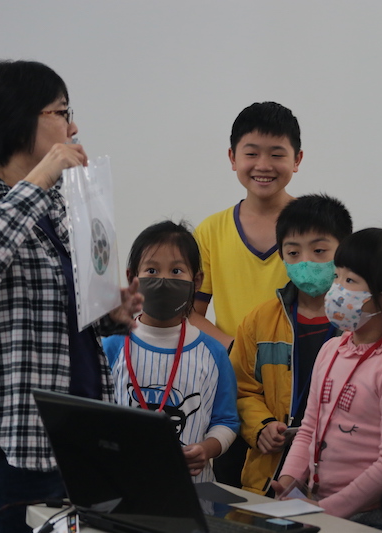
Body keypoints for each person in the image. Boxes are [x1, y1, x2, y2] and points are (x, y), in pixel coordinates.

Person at [0, 60, 142, 533]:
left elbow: (58, 313)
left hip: (75, 441)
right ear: (18, 117)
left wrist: (111, 311)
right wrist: (42, 177)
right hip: (8, 444)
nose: (73, 127)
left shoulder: (56, 207)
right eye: (62, 112)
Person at [273, 227, 382, 529]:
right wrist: (288, 482)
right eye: (337, 276)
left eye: (350, 281)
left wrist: (326, 510)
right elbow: (309, 428)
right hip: (318, 504)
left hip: (370, 516)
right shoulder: (331, 350)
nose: (336, 289)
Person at [191, 101, 303, 486]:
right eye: (251, 153)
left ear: (297, 159)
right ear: (232, 158)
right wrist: (237, 348)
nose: (263, 165)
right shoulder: (210, 231)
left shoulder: (315, 230)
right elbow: (191, 312)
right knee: (234, 494)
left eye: (277, 154)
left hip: (298, 383)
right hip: (234, 387)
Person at [231, 194, 352, 496]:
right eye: (293, 252)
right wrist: (261, 426)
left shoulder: (358, 324)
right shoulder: (259, 320)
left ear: (344, 251)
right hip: (268, 475)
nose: (305, 262)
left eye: (319, 250)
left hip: (339, 478)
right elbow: (240, 389)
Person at [102, 220, 239, 483]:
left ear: (196, 281)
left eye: (176, 271)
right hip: (122, 485)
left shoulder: (214, 353)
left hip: (194, 490)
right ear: (132, 278)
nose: (163, 280)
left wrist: (206, 449)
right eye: (151, 270)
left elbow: (226, 421)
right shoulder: (111, 345)